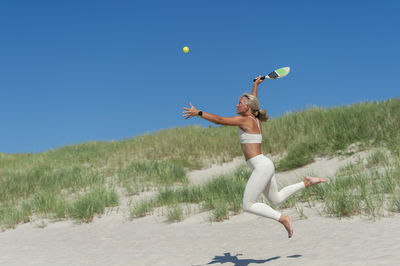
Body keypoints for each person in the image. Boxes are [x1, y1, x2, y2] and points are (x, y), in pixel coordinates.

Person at [182, 76, 326, 238]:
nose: (237, 104)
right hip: (265, 164)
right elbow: (254, 100)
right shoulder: (255, 118)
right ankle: (306, 182)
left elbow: (220, 120)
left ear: (247, 107)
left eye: (240, 102)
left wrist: (199, 113)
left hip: (261, 166)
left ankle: (283, 218)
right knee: (276, 200)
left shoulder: (245, 120)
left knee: (247, 205)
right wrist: (256, 84)